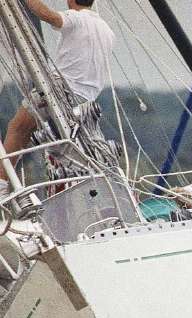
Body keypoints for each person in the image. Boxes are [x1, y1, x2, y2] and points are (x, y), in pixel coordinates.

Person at [2, 0, 114, 191]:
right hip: (85, 100)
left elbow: (48, 15)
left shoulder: (76, 18)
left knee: (18, 128)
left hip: (59, 90)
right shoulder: (106, 30)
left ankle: (2, 184)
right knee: (65, 146)